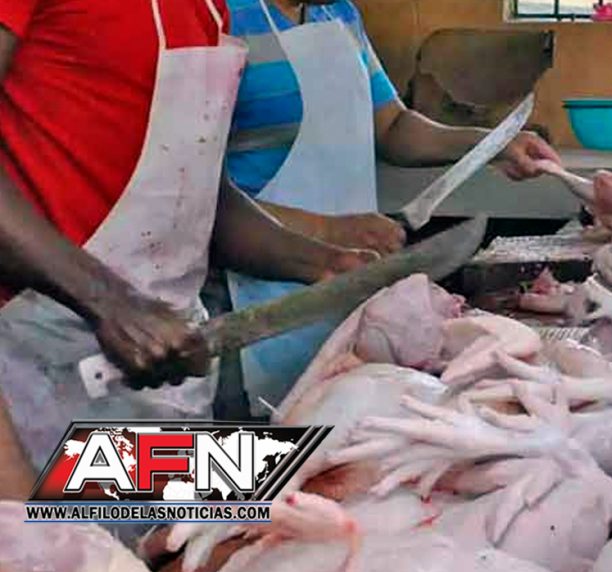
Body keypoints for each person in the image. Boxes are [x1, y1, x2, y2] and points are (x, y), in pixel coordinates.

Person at [0, 0, 379, 498]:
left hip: (167, 367)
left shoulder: (208, 10)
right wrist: (110, 303)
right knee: (63, 538)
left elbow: (200, 194)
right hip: (38, 355)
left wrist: (323, 262)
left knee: (298, 496)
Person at [222, 0, 563, 411]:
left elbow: (392, 125)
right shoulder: (219, 17)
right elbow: (198, 195)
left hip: (346, 285)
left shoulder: (339, 14)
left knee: (337, 421)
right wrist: (329, 230)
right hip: (248, 300)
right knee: (262, 441)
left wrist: (490, 144)